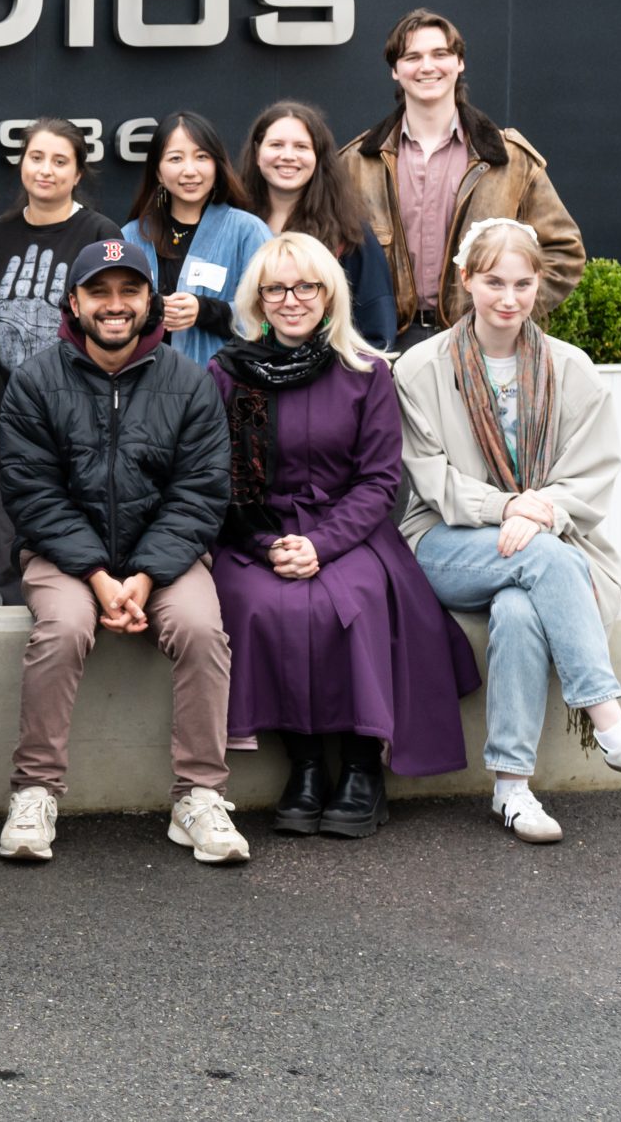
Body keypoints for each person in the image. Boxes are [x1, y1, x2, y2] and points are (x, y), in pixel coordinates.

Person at [395, 217, 621, 843]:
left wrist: (541, 512)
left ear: (540, 284)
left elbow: (591, 474)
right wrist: (508, 508)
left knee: (518, 607)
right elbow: (430, 478)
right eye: (493, 282)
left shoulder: (572, 368)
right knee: (543, 559)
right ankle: (613, 728)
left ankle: (511, 788)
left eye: (522, 284)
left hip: (547, 538)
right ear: (465, 279)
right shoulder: (420, 367)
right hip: (444, 539)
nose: (508, 299)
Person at [205, 232, 477, 841]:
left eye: (306, 286)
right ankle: (304, 765)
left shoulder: (366, 372)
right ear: (257, 298)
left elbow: (379, 482)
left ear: (329, 294)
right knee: (258, 602)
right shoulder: (234, 375)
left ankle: (360, 767)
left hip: (350, 530)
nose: (291, 300)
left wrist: (322, 545)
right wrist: (266, 546)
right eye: (276, 289)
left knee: (354, 599)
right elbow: (227, 480)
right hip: (258, 531)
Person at [0, 239, 247, 866]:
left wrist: (147, 574)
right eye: (100, 292)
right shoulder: (34, 381)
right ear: (73, 302)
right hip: (63, 555)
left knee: (201, 630)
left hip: (164, 556)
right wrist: (99, 576)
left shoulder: (188, 382)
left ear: (149, 300)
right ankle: (34, 792)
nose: (115, 305)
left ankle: (199, 796)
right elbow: (31, 493)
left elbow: (200, 493)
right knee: (62, 629)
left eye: (130, 291)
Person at [341, 8, 585, 350]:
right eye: (412, 57)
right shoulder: (355, 163)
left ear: (459, 63)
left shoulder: (511, 159)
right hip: (386, 346)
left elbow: (565, 253)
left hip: (481, 342)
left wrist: (503, 308)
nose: (427, 66)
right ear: (396, 70)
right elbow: (325, 261)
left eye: (440, 54)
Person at [0, 119, 122, 603]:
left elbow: (115, 323)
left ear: (78, 173)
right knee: (13, 545)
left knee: (82, 540)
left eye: (60, 161)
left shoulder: (99, 234)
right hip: (11, 422)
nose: (46, 170)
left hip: (79, 420)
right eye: (36, 157)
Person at [238, 100, 397, 350]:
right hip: (247, 369)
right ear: (258, 152)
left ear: (318, 156)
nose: (288, 156)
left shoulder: (349, 234)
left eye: (301, 146)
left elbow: (377, 331)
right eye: (276, 145)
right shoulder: (234, 225)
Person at [119, 111, 271, 371]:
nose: (190, 170)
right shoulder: (131, 236)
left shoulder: (248, 231)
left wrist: (205, 311)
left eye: (201, 157)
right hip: (144, 384)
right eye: (175, 158)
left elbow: (271, 318)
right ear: (158, 172)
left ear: (217, 165)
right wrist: (152, 310)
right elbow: (112, 311)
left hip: (225, 384)